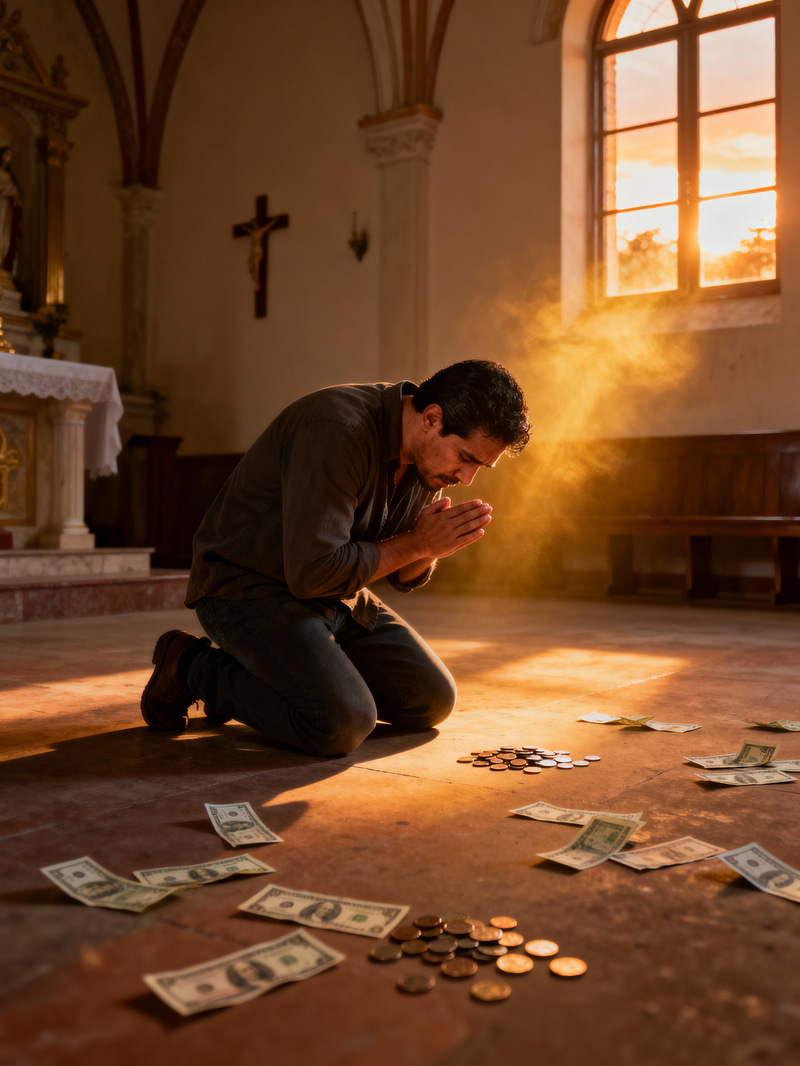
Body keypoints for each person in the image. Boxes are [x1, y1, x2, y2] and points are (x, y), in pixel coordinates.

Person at [141, 360, 529, 757]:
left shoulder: (427, 457)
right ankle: (190, 664)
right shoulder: (336, 429)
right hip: (247, 588)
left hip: (335, 593)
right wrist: (417, 544)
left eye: (480, 466)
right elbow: (312, 573)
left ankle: (263, 677)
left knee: (430, 700)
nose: (466, 477)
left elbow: (401, 574)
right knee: (341, 723)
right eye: (466, 458)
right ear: (431, 418)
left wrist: (431, 547)